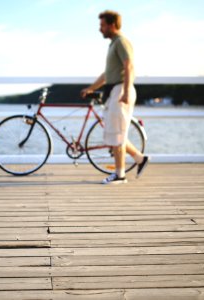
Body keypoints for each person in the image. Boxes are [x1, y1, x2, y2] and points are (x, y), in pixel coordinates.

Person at [80, 10, 149, 184]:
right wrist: (91, 88)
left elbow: (129, 66)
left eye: (102, 25)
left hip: (120, 91)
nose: (99, 29)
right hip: (114, 90)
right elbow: (107, 75)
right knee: (116, 134)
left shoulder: (121, 42)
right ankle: (140, 159)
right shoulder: (113, 45)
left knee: (117, 135)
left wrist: (125, 91)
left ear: (112, 25)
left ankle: (120, 175)